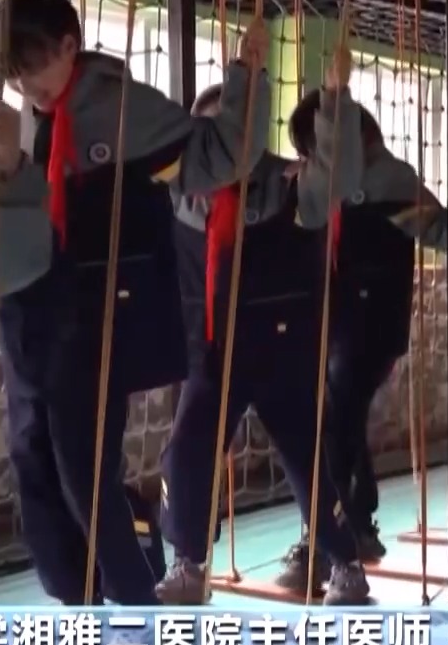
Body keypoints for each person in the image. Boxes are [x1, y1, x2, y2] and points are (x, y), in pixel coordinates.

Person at [0, 0, 274, 610]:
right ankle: (78, 599)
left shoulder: (121, 109)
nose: (28, 86)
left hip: (95, 320)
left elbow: (218, 156)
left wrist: (247, 77)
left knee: (84, 471)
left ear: (70, 46)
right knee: (33, 462)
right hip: (30, 318)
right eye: (14, 75)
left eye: (35, 67)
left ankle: (135, 606)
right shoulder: (20, 119)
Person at [152, 37, 372, 606]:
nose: (221, 150)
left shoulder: (290, 183)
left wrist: (335, 101)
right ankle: (189, 564)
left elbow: (338, 179)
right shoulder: (180, 193)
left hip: (283, 351)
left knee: (307, 460)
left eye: (232, 135)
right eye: (210, 137)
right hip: (211, 351)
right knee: (186, 453)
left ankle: (345, 562)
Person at [286, 85, 448, 563]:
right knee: (340, 418)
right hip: (336, 321)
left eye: (320, 144)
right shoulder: (321, 182)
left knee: (337, 420)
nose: (316, 156)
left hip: (372, 322)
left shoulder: (388, 178)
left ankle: (332, 536)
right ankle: (354, 525)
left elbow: (441, 228)